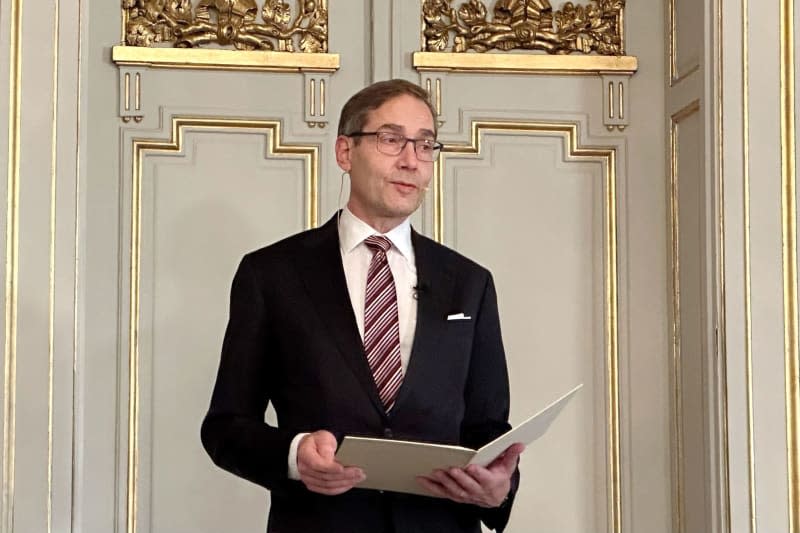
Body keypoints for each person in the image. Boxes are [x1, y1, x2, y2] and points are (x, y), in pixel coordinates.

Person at [201, 78, 524, 532]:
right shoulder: (271, 274)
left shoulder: (470, 283)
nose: (411, 160)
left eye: (425, 144)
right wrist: (295, 457)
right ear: (345, 153)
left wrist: (499, 490)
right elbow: (226, 425)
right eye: (391, 140)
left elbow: (487, 426)